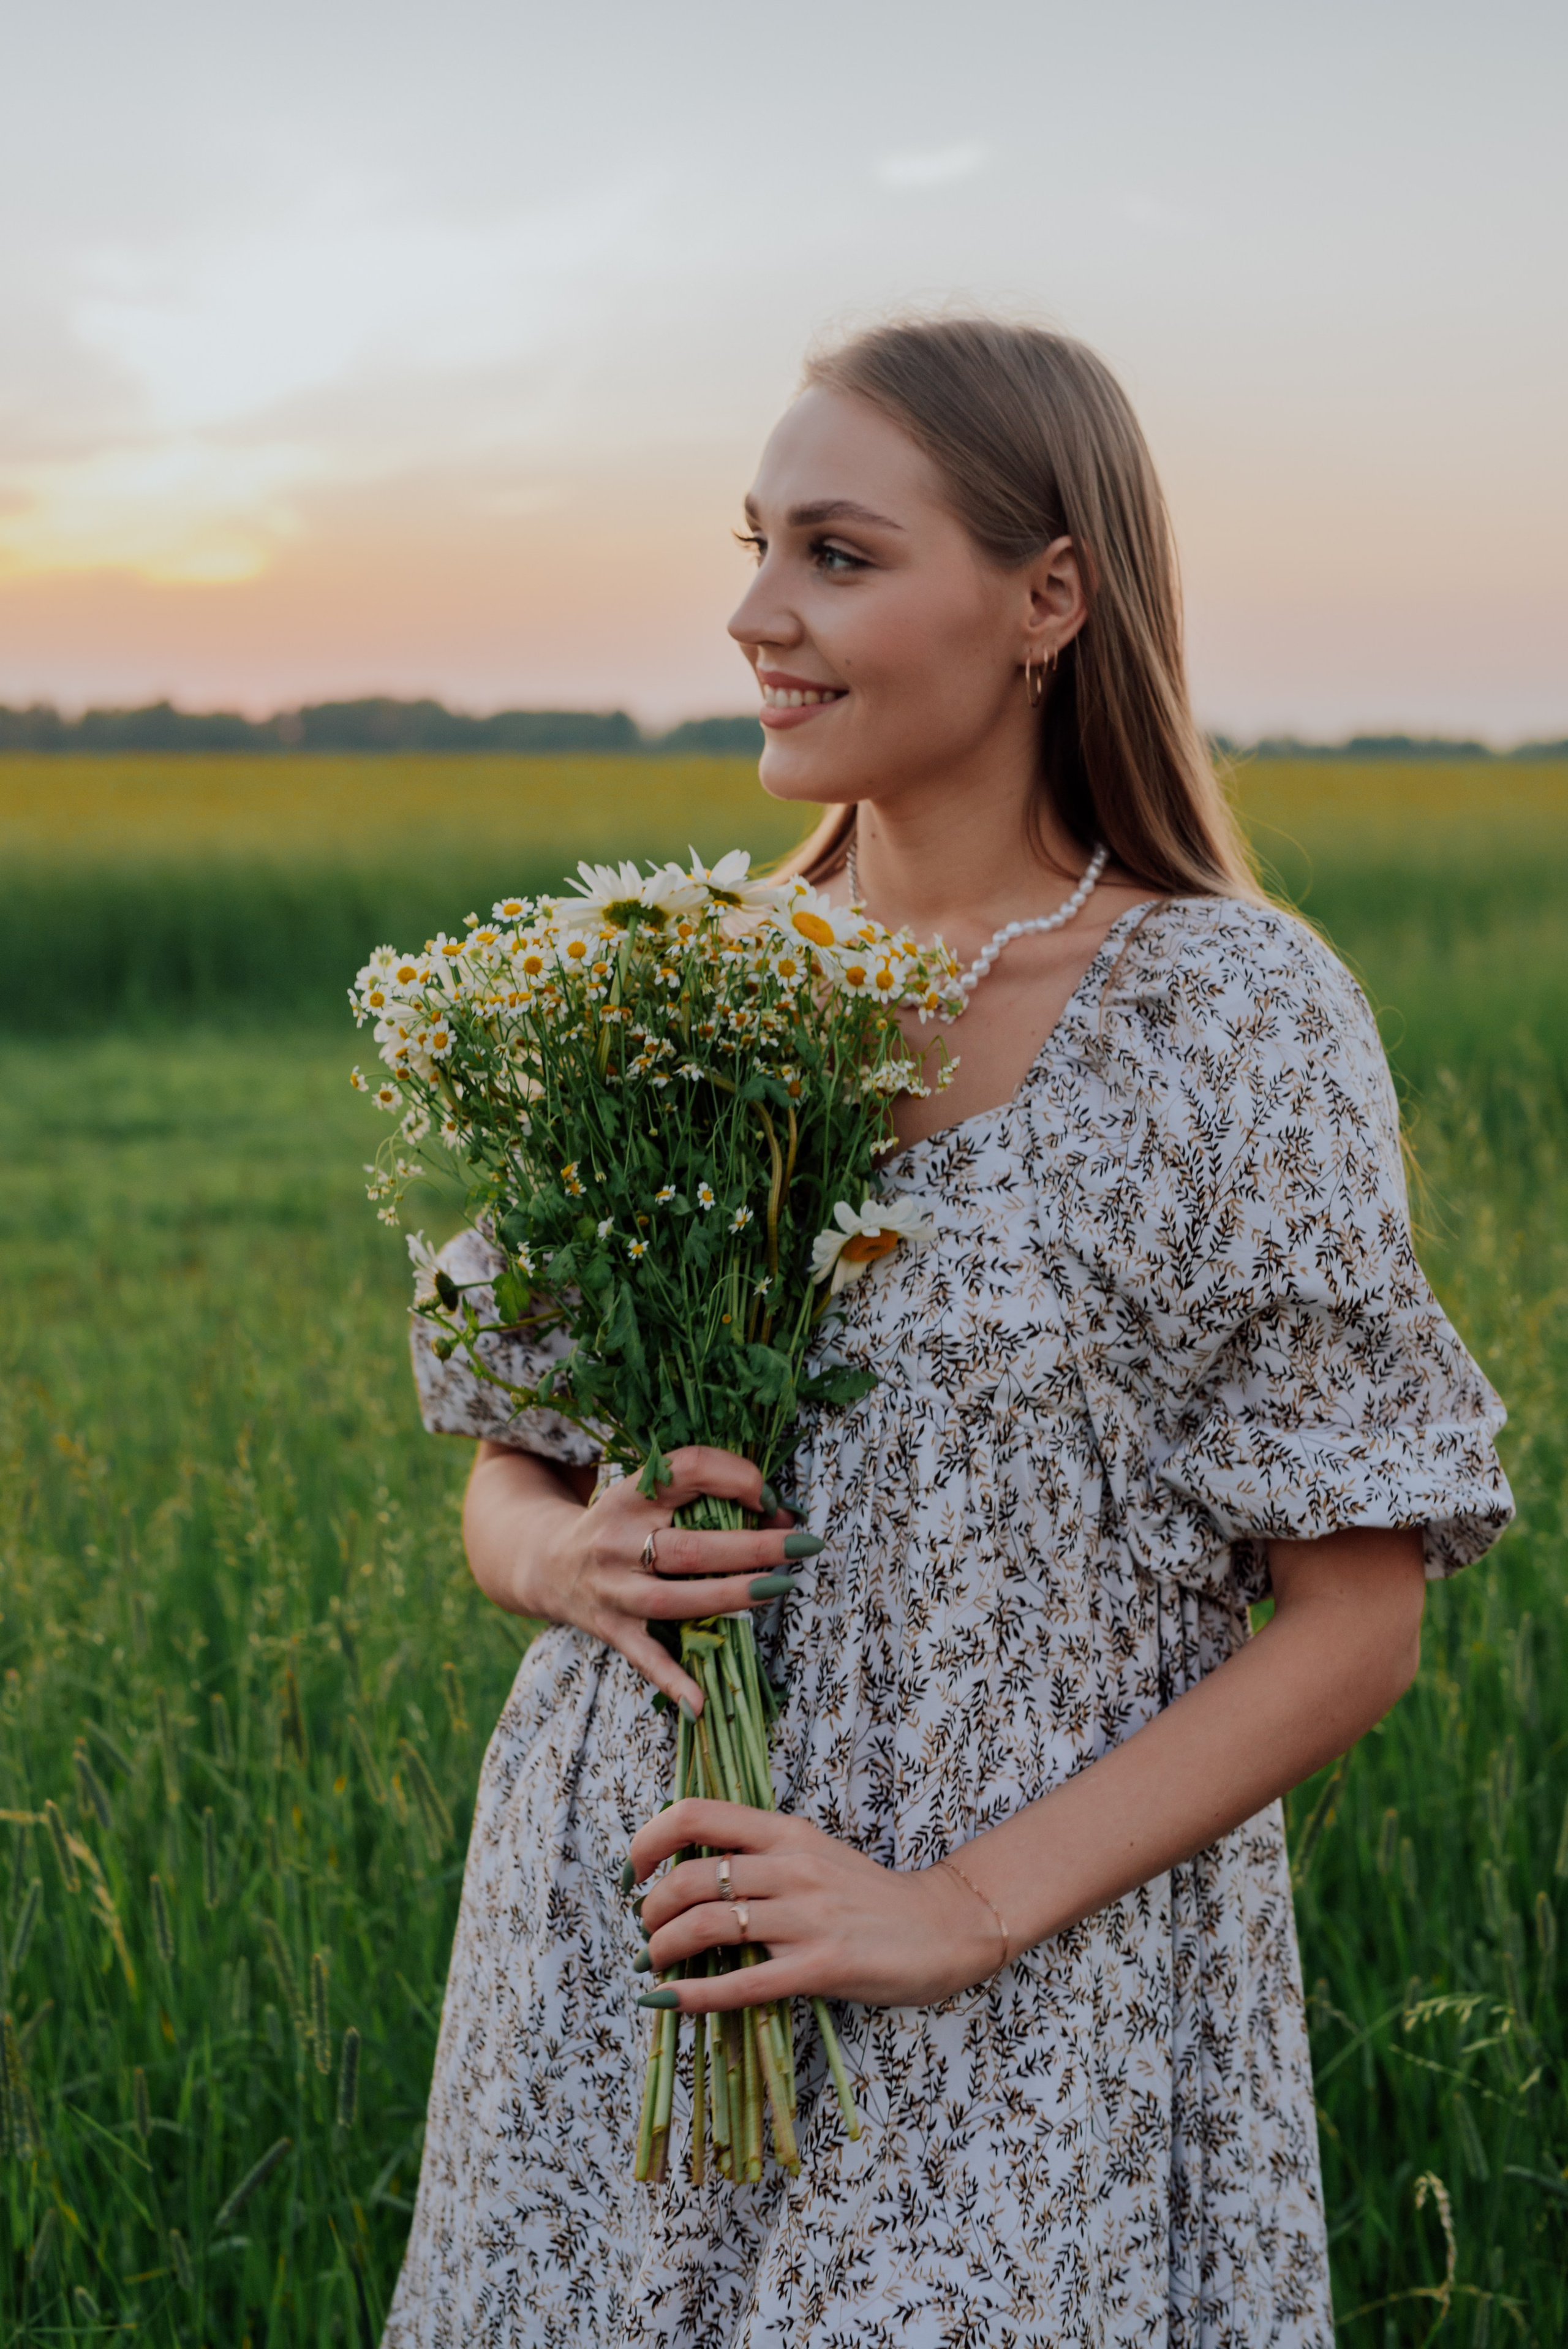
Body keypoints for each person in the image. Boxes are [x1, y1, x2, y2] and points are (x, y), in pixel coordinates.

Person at [382, 317, 1511, 2349]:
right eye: (756, 547)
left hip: (1023, 1990)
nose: (755, 613)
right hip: (623, 1956)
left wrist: (947, 1913)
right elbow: (507, 1472)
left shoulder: (1228, 1017)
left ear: (1047, 598)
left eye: (835, 553)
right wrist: (572, 1553)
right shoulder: (675, 983)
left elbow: (1357, 1621)